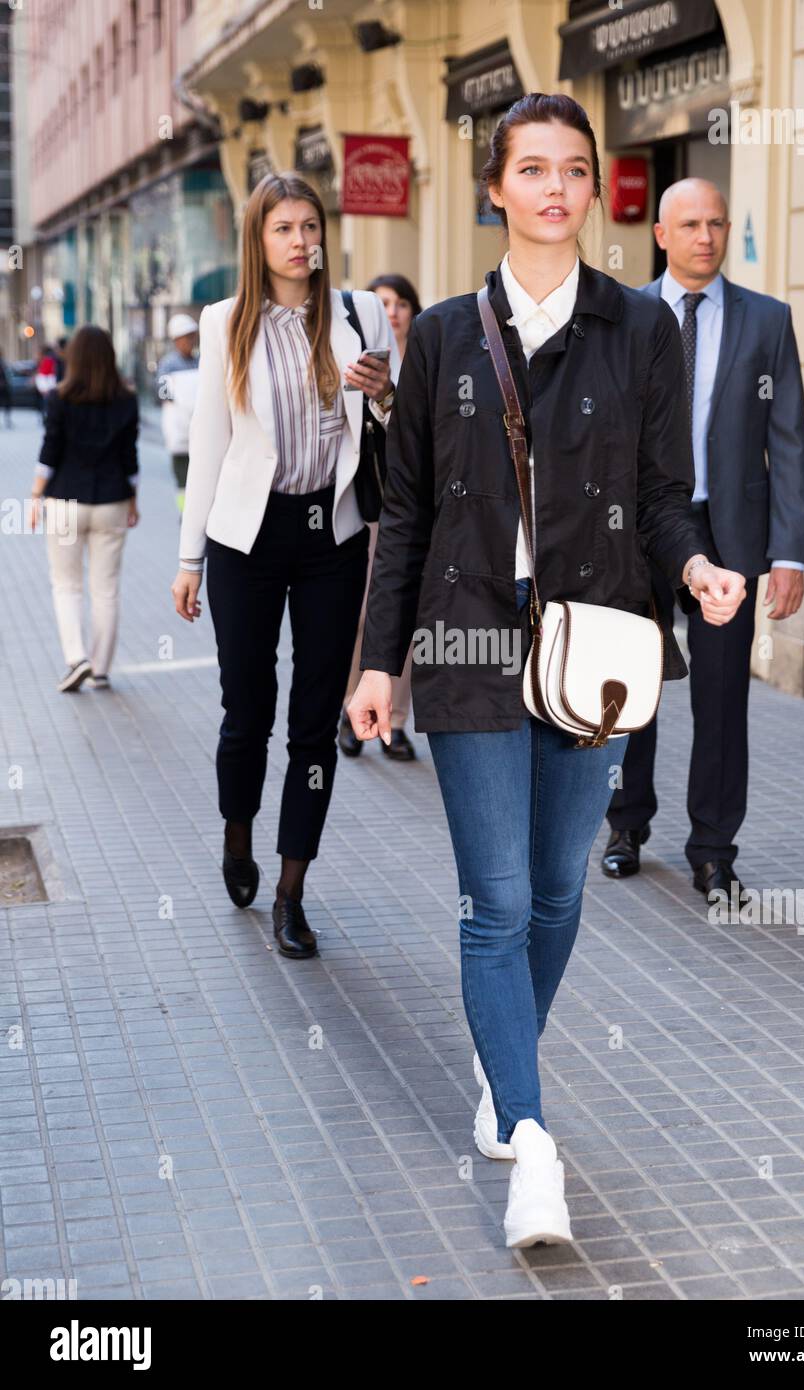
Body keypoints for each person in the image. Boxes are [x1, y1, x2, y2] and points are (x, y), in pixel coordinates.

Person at [347, 95, 746, 1249]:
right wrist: (380, 662)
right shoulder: (438, 342)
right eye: (532, 169)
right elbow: (406, 512)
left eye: (574, 169)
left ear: (590, 190)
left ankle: (499, 1064)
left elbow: (666, 495)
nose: (556, 187)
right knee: (500, 902)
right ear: (496, 188)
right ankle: (530, 1140)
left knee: (562, 894)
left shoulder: (638, 330)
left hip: (597, 642)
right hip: (469, 636)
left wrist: (700, 570)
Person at [171, 171, 400, 959]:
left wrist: (386, 393)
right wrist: (188, 557)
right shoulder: (224, 321)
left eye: (311, 226)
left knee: (314, 723)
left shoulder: (359, 312)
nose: (302, 242)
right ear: (257, 240)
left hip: (330, 534)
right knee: (248, 709)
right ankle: (239, 836)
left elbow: (395, 430)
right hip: (246, 538)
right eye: (284, 229)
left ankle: (291, 891)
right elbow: (209, 442)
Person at [600, 178, 804, 903]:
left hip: (730, 539)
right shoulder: (623, 315)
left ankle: (714, 849)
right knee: (634, 684)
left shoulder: (767, 321)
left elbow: (788, 443)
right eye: (689, 223)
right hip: (640, 531)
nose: (706, 236)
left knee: (722, 697)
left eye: (716, 223)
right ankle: (626, 825)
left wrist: (788, 554)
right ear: (660, 234)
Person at [339, 273, 423, 762]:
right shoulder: (357, 362)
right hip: (373, 507)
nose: (392, 312)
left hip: (419, 508)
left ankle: (395, 719)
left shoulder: (429, 360)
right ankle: (352, 707)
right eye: (383, 303)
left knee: (410, 618)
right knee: (368, 614)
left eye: (401, 303)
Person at [29, 325, 140, 692]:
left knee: (66, 585)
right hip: (112, 501)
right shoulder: (126, 399)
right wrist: (134, 501)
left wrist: (34, 497)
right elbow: (129, 458)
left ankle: (77, 659)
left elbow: (50, 451)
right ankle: (102, 669)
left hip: (65, 501)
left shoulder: (60, 399)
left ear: (72, 358)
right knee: (106, 588)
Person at [156, 314, 201, 513]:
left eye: (191, 337)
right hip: (180, 429)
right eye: (185, 338)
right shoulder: (168, 364)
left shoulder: (201, 361)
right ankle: (185, 513)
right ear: (176, 340)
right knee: (183, 478)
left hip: (201, 428)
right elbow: (163, 394)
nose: (189, 342)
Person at [0, 349, 13, 428]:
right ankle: (7, 421)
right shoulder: (3, 362)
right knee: (6, 404)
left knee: (7, 404)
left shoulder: (3, 362)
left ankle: (8, 420)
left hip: (4, 386)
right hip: (3, 386)